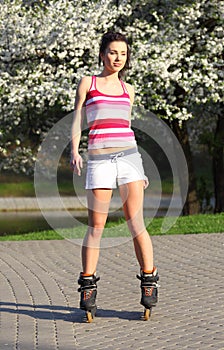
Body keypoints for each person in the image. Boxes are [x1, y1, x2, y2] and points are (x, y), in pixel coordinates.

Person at [71, 32, 159, 322]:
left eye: (122, 53)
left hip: (129, 158)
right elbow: (77, 121)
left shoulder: (128, 90)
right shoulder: (88, 83)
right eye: (112, 52)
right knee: (97, 225)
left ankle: (149, 280)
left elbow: (126, 127)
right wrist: (75, 150)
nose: (117, 57)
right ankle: (87, 285)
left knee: (136, 222)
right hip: (99, 160)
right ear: (102, 54)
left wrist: (139, 169)